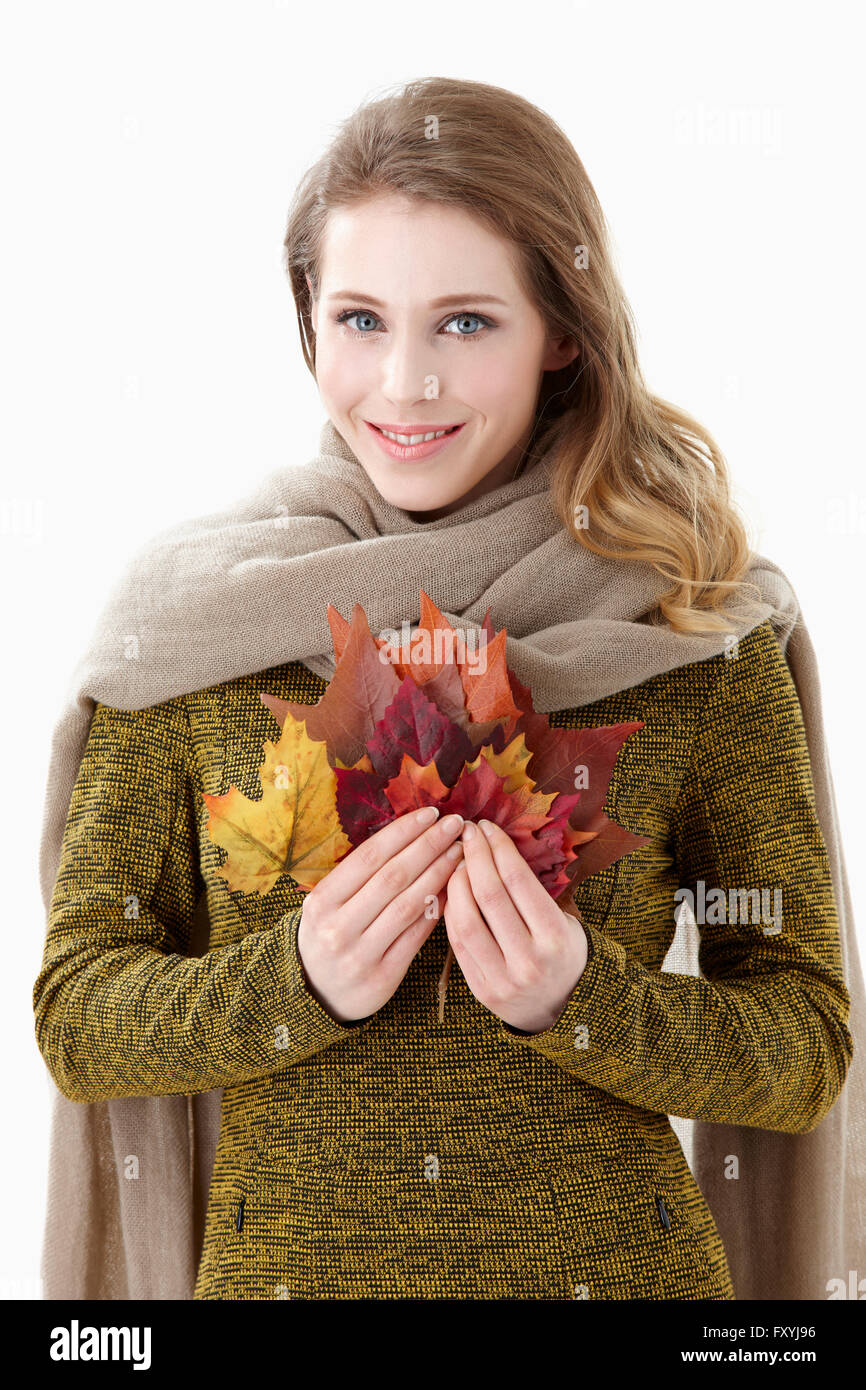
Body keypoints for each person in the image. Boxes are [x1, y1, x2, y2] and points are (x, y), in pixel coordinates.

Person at [33, 75, 861, 1301]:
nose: (405, 384)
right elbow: (79, 1015)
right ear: (308, 322)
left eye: (465, 322)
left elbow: (802, 1044)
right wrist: (294, 979)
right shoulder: (196, 624)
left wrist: (583, 998)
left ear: (562, 332)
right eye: (361, 319)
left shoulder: (689, 620)